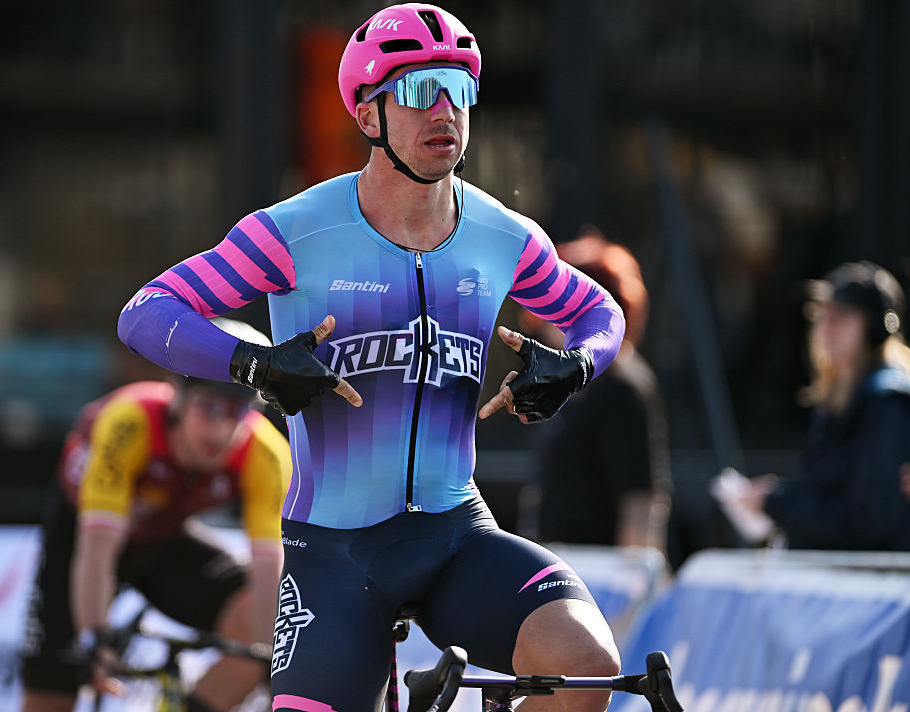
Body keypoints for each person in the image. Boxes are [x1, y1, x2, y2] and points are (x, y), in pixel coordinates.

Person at [117, 5, 626, 711]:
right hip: (335, 552)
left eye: (458, 87)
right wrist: (255, 365)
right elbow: (146, 313)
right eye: (419, 91)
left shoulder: (504, 237)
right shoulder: (294, 231)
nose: (443, 109)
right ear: (367, 115)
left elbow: (602, 314)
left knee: (585, 662)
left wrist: (575, 368)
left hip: (456, 534)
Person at [20, 319, 291, 712]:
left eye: (235, 412)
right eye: (209, 407)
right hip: (82, 538)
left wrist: (271, 662)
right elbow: (96, 549)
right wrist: (95, 637)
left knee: (259, 638)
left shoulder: (265, 452)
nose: (220, 430)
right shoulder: (130, 421)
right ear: (177, 396)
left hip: (163, 537)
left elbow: (270, 567)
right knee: (52, 692)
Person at [727, 260, 910, 551]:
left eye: (843, 315)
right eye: (824, 314)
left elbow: (869, 521)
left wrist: (778, 503)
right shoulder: (841, 399)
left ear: (876, 327)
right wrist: (778, 496)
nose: (827, 325)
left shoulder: (886, 403)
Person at [520, 230, 672, 554]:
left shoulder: (623, 387)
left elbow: (640, 499)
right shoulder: (574, 382)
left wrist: (629, 591)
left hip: (601, 578)